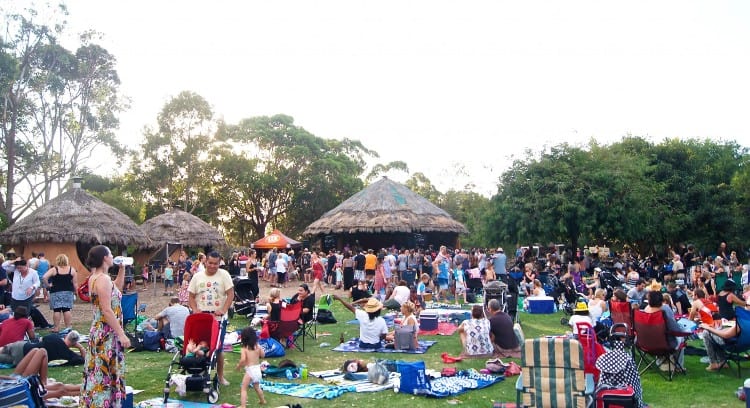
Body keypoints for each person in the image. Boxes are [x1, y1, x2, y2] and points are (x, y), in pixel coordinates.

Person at [81, 245, 131, 407]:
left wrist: (122, 269)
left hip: (101, 331)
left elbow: (117, 288)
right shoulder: (102, 279)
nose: (112, 256)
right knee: (104, 374)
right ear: (104, 258)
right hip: (106, 333)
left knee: (100, 371)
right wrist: (121, 333)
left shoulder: (98, 277)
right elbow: (107, 310)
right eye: (110, 254)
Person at [188, 250, 234, 386]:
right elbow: (190, 296)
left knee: (218, 348)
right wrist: (195, 310)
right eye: (210, 263)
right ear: (205, 262)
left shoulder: (224, 275)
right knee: (200, 345)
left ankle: (220, 376)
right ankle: (199, 372)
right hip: (201, 317)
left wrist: (224, 309)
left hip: (218, 318)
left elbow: (230, 294)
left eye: (216, 264)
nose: (213, 266)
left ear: (219, 263)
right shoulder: (197, 277)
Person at [642, 289, 686, 369]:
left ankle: (660, 361)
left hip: (645, 344)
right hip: (665, 345)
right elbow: (675, 329)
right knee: (682, 337)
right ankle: (679, 367)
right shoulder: (665, 309)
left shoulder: (646, 310)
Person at [42, 254, 78, 333]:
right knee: (67, 309)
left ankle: (56, 328)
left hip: (55, 291)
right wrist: (76, 292)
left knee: (57, 310)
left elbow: (44, 277)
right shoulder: (72, 270)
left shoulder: (54, 269)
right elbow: (75, 283)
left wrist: (48, 285)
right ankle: (68, 327)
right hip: (68, 291)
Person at [237, 326, 266, 407]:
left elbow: (243, 360)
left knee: (243, 389)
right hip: (257, 370)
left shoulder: (244, 349)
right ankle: (262, 400)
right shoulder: (258, 346)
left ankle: (243, 406)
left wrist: (239, 366)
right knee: (257, 387)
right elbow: (263, 355)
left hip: (250, 371)